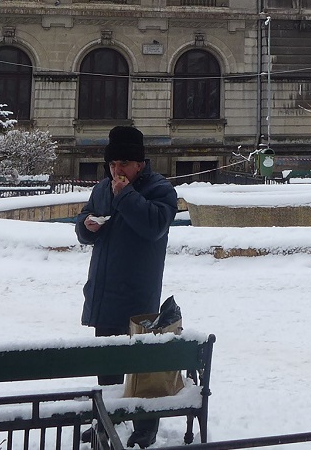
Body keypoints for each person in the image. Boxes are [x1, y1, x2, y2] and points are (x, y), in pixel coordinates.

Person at [76, 126, 177, 449]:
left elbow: (155, 226)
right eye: (112, 165)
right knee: (106, 367)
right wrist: (86, 226)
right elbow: (83, 223)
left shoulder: (160, 190)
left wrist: (126, 196)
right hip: (103, 293)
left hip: (137, 293)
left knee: (139, 369)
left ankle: (145, 426)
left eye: (123, 164)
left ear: (139, 164)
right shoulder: (103, 189)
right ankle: (105, 421)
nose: (116, 171)